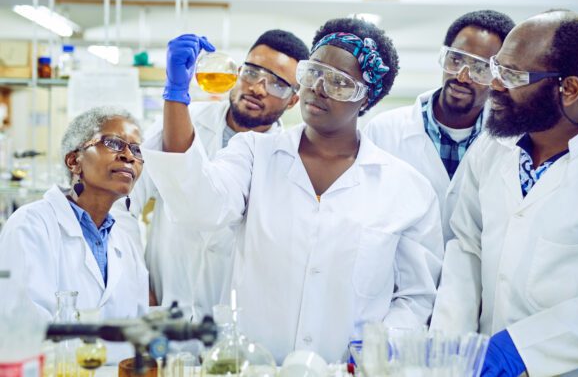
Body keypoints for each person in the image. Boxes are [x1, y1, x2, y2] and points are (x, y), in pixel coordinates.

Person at [140, 18, 444, 363]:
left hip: (344, 370)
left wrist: (377, 352)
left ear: (366, 99)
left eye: (339, 83)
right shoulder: (254, 153)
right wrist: (176, 95)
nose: (319, 88)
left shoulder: (406, 189)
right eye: (314, 73)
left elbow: (415, 297)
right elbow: (199, 207)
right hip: (251, 367)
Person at [430, 10, 578, 376]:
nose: (495, 84)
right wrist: (449, 351)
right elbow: (467, 247)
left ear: (569, 88)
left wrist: (520, 348)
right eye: (498, 69)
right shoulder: (494, 145)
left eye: (512, 75)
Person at [113, 30, 309, 313]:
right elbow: (122, 202)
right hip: (159, 301)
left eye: (278, 84)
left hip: (234, 317)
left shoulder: (290, 160)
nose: (258, 88)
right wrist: (136, 279)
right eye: (253, 72)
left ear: (293, 100)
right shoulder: (181, 120)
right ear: (238, 72)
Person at [363, 10, 514, 242]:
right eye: (456, 60)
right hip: (399, 274)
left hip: (473, 276)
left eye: (480, 68)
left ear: (499, 76)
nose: (463, 76)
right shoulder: (384, 131)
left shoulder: (511, 143)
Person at [0, 106, 148, 321]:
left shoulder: (126, 243)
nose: (129, 156)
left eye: (136, 150)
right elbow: (23, 327)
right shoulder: (30, 225)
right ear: (74, 161)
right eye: (114, 143)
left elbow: (140, 328)